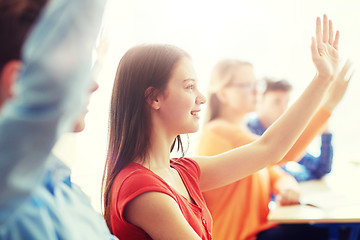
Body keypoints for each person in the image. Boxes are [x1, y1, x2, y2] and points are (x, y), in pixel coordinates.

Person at [102, 15, 343, 240]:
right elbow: (274, 150)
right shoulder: (141, 189)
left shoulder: (181, 171)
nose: (202, 98)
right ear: (154, 98)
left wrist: (322, 79)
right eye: (188, 87)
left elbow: (270, 149)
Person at [197, 25, 351, 240]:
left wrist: (287, 186)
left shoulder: (243, 134)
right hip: (241, 236)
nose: (256, 90)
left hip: (261, 230)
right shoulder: (219, 132)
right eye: (245, 85)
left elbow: (275, 173)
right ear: (222, 93)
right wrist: (327, 103)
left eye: (255, 83)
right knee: (333, 233)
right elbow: (281, 153)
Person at [0, 0, 117, 239]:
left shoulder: (66, 188)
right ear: (18, 83)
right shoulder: (6, 185)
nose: (94, 85)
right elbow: (54, 86)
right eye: (81, 73)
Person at [247, 78, 334, 182]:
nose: (284, 109)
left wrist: (325, 132)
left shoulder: (282, 133)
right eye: (277, 102)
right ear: (260, 102)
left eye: (287, 102)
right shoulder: (248, 132)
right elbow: (276, 176)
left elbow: (321, 169)